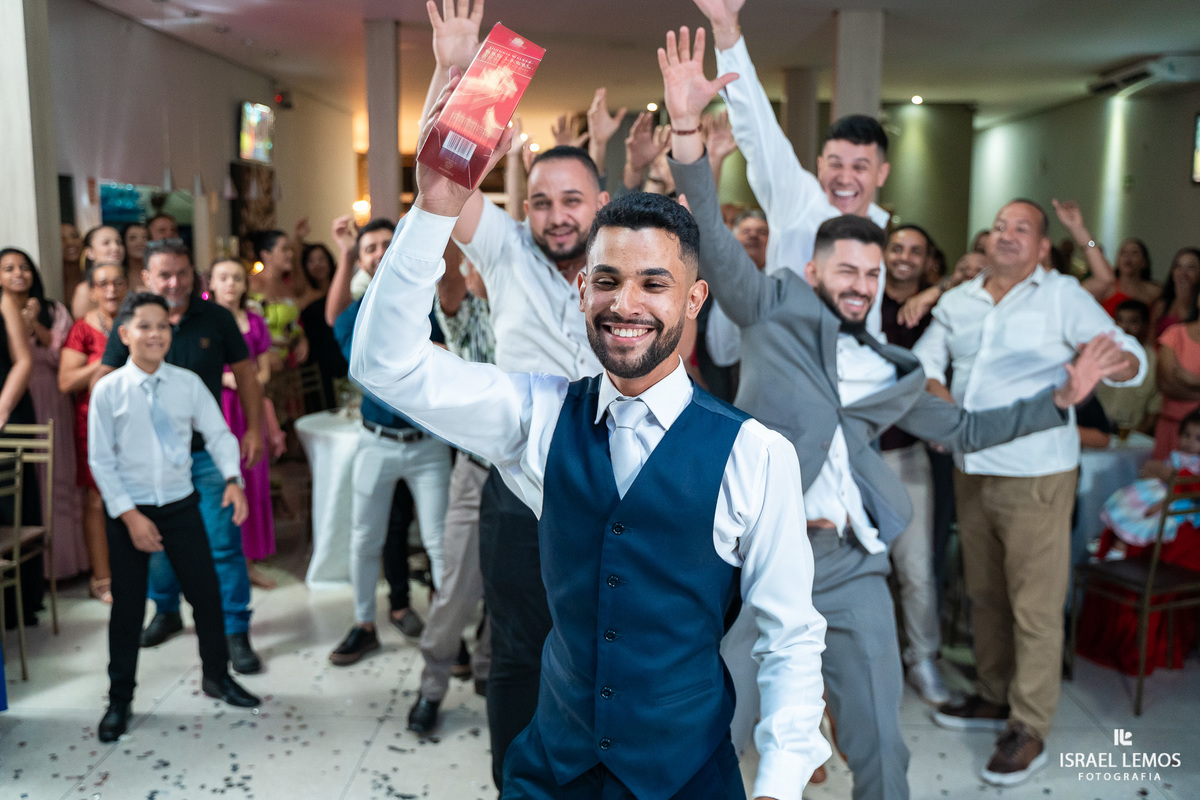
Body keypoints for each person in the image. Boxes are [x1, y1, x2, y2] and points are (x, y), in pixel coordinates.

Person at [660, 27, 1130, 799]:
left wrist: (1058, 399)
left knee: (882, 746)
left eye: (872, 272)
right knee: (713, 729)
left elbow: (971, 431)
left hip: (851, 565)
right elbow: (710, 239)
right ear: (812, 270)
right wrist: (688, 138)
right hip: (760, 558)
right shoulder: (771, 307)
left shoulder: (895, 368)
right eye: (843, 269)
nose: (859, 282)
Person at [354, 72, 830, 800]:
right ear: (583, 291)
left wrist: (783, 778)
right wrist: (434, 208)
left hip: (686, 776)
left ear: (694, 298)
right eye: (606, 281)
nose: (625, 304)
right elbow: (384, 363)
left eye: (653, 284)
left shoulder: (754, 454)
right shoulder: (537, 416)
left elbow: (790, 634)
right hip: (553, 770)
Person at [416, 1, 609, 785]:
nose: (556, 216)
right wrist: (455, 71)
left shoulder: (628, 263)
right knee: (514, 652)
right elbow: (442, 177)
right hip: (517, 494)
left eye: (573, 201)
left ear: (601, 204)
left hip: (605, 487)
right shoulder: (503, 252)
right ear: (522, 205)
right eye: (541, 200)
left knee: (601, 644)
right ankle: (514, 783)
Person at [913, 198, 1145, 786]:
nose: (1007, 235)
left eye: (1023, 228)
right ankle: (992, 695)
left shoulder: (1062, 296)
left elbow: (1130, 355)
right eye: (999, 226)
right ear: (986, 241)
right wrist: (942, 405)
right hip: (972, 464)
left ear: (1043, 247)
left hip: (1037, 470)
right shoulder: (959, 300)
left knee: (1035, 605)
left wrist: (1106, 367)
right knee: (984, 592)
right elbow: (924, 364)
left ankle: (1029, 725)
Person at [89, 292, 260, 743]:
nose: (155, 334)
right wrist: (130, 518)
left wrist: (231, 478)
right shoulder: (108, 391)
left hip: (181, 505)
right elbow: (101, 462)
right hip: (131, 509)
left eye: (163, 326)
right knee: (127, 608)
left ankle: (216, 677)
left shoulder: (187, 383)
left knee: (206, 595)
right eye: (144, 326)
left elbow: (220, 434)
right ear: (124, 335)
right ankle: (120, 698)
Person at [691, 0, 892, 337]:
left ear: (881, 174)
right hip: (783, 365)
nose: (844, 178)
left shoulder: (880, 230)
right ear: (819, 165)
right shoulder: (798, 200)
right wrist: (726, 30)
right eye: (835, 164)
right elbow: (758, 130)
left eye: (860, 167)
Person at [327, 227, 451, 667]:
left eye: (387, 244)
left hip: (427, 444)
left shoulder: (431, 305)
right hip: (376, 442)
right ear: (361, 261)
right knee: (364, 538)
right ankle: (363, 625)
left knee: (440, 542)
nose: (380, 253)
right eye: (370, 248)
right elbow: (368, 370)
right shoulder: (351, 317)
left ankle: (446, 632)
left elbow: (451, 359)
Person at [408, 247, 495, 735]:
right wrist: (450, 206)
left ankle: (486, 668)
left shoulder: (547, 314)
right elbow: (450, 287)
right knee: (459, 588)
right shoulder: (470, 315)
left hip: (536, 475)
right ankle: (432, 687)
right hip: (479, 469)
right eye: (479, 261)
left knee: (520, 589)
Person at [874, 225, 951, 705]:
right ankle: (871, 663)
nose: (904, 257)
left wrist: (937, 291)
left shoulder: (940, 311)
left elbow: (981, 277)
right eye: (897, 248)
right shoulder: (860, 299)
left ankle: (923, 660)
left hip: (909, 453)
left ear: (928, 261)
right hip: (854, 454)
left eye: (915, 251)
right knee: (863, 570)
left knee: (917, 567)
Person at [1077, 408, 1200, 675]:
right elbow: (1154, 472)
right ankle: (1111, 549)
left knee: (1142, 527)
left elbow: (1188, 487)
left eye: (1197, 438)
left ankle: (1117, 551)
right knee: (1126, 510)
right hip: (1162, 497)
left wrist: (1170, 488)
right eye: (1187, 435)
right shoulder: (1180, 457)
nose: (1190, 442)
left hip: (1180, 513)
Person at [0, 249, 87, 581]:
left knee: (59, 478)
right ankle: (41, 571)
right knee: (30, 481)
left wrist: (33, 321)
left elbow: (59, 354)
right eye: (8, 269)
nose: (18, 273)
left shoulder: (53, 310)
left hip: (50, 396)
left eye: (23, 267)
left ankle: (68, 565)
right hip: (22, 398)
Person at [60, 263, 130, 603]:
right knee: (97, 499)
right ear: (91, 289)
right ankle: (102, 576)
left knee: (137, 493)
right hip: (94, 422)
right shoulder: (81, 330)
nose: (111, 289)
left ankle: (138, 570)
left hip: (134, 421)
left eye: (118, 282)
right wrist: (103, 364)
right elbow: (65, 381)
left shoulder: (137, 322)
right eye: (103, 283)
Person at [209, 258, 277, 589]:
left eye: (236, 278)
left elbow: (263, 370)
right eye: (223, 277)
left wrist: (246, 381)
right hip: (217, 407)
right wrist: (227, 378)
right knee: (221, 481)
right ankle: (221, 563)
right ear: (211, 282)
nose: (230, 284)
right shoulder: (204, 321)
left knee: (252, 478)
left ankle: (248, 562)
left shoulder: (254, 321)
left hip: (248, 407)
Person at [0, 272, 41, 631]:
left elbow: (23, 360)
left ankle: (18, 605)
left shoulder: (4, 303)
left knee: (12, 501)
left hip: (7, 406)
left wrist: (2, 407)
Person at [1096, 299, 1160, 434]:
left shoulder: (1156, 364)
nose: (1125, 327)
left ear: (1146, 325)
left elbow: (1153, 416)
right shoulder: (1097, 355)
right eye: (1120, 320)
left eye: (1133, 321)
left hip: (1132, 440)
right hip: (1093, 434)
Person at [250, 230, 308, 373]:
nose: (291, 254)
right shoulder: (252, 284)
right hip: (262, 367)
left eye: (291, 249)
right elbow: (244, 325)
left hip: (288, 365)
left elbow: (293, 324)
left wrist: (301, 338)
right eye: (284, 249)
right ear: (266, 254)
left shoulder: (288, 286)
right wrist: (263, 352)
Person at [298, 242, 346, 410]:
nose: (317, 264)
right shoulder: (303, 296)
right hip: (317, 362)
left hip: (343, 353)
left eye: (321, 259)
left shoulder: (344, 289)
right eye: (311, 261)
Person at [1153, 293, 1200, 459]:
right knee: (1163, 478)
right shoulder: (1175, 334)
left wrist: (1185, 377)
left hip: (1198, 437)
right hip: (1170, 426)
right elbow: (1164, 384)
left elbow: (1172, 380)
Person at [75, 226, 125, 319]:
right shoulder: (85, 290)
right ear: (90, 252)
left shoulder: (130, 282)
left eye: (119, 242)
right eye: (106, 243)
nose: (115, 247)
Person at [1152, 247, 1200, 339]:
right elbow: (1150, 340)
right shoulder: (1162, 305)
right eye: (1178, 266)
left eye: (1191, 267)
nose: (1183, 273)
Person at [123, 223, 149, 290]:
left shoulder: (156, 273)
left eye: (144, 237)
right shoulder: (118, 274)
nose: (140, 242)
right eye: (133, 238)